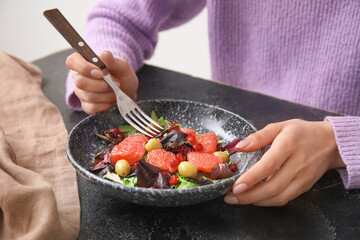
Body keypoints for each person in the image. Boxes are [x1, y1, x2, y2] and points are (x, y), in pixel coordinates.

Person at [65, 0, 360, 206]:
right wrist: (104, 70)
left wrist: (339, 141)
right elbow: (120, 15)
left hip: (338, 182)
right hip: (236, 134)